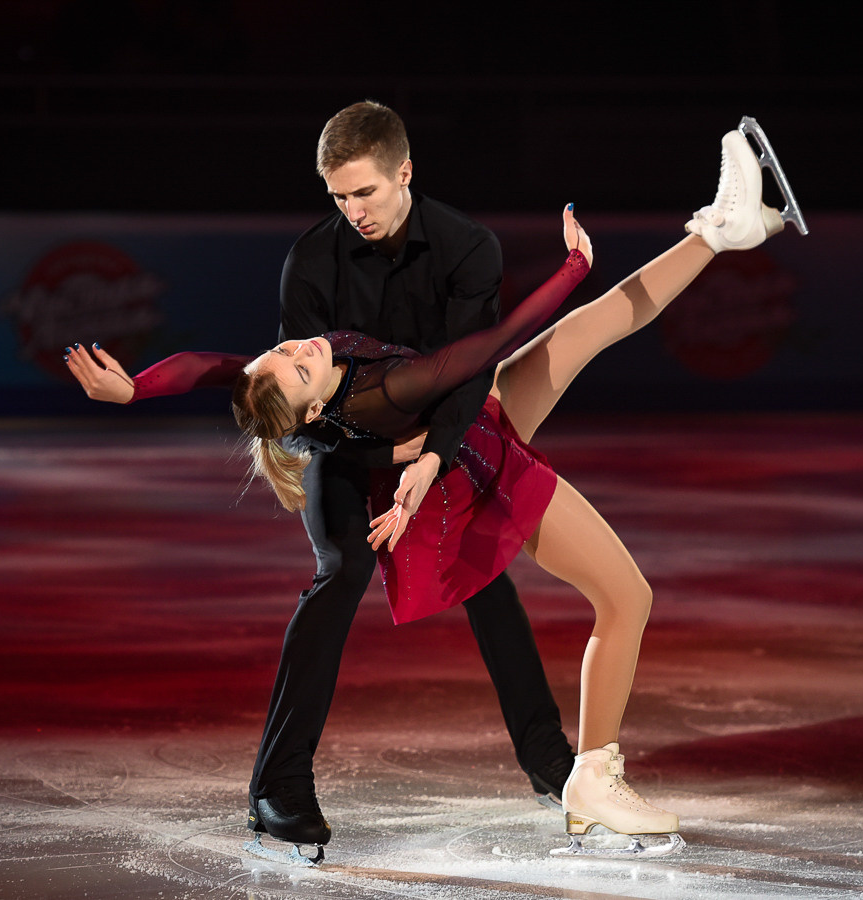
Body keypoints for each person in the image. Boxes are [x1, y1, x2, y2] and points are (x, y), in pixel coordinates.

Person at [67, 122, 803, 856]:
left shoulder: (462, 248)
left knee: (576, 345)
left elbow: (459, 367)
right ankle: (279, 784)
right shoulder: (314, 272)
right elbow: (284, 394)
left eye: (364, 191)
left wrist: (426, 455)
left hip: (453, 423)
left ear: (405, 173)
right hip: (351, 443)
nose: (352, 209)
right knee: (346, 568)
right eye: (337, 195)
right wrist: (398, 449)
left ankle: (717, 229)